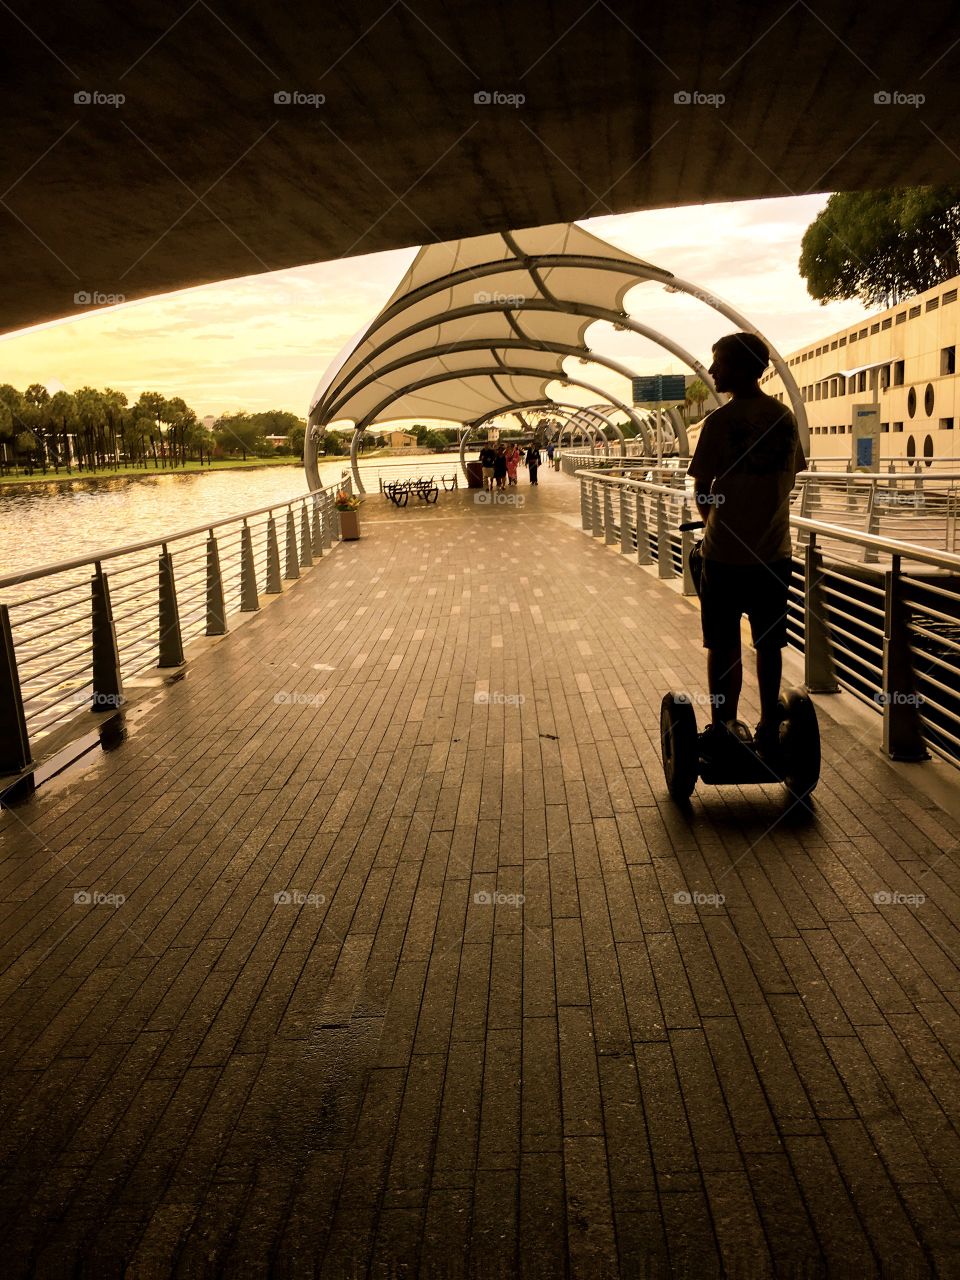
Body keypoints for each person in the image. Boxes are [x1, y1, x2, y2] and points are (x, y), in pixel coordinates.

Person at [687, 332, 806, 765]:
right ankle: (770, 727)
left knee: (723, 644)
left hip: (724, 557)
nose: (713, 370)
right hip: (775, 554)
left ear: (741, 367)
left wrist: (717, 521)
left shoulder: (718, 424)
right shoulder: (784, 417)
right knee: (770, 643)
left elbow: (702, 491)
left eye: (719, 362)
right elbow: (788, 482)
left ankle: (724, 726)